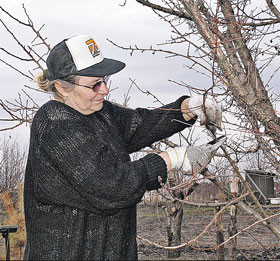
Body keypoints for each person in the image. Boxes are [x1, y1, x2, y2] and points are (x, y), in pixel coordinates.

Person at [23, 34, 222, 260]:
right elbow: (111, 185)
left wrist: (187, 109)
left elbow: (140, 124)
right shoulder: (55, 124)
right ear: (62, 87)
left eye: (104, 79)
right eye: (94, 84)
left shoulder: (98, 113)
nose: (104, 90)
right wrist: (171, 159)